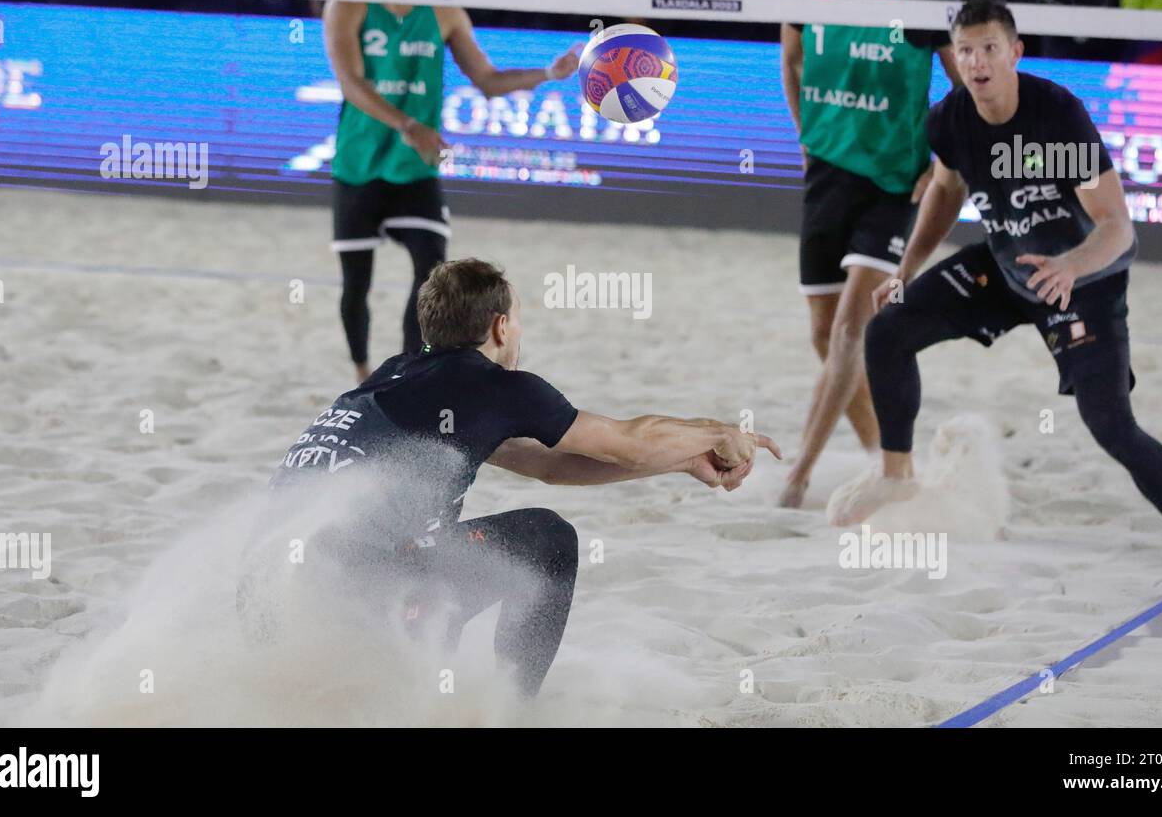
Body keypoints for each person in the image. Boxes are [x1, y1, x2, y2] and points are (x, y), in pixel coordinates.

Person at [254, 258, 781, 697]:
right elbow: (630, 438)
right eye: (519, 321)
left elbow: (546, 464)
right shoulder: (496, 387)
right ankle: (511, 703)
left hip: (271, 600)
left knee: (437, 558)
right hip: (364, 592)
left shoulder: (401, 376)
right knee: (548, 541)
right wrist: (721, 433)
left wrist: (685, 461)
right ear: (501, 326)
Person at [838, 0, 1162, 571]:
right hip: (1005, 270)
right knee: (889, 326)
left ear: (1015, 52)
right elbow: (946, 192)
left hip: (1084, 281)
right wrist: (904, 272)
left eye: (989, 48)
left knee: (1111, 424)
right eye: (965, 51)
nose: (977, 62)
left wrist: (1070, 265)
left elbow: (1119, 228)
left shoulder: (1056, 116)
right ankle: (896, 474)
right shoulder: (949, 119)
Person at [325, 0, 580, 383]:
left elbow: (486, 79)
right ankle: (362, 374)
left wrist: (549, 73)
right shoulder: (348, 3)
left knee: (431, 276)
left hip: (416, 167)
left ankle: (406, 374)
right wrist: (408, 125)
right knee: (355, 283)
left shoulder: (442, 8)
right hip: (359, 160)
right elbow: (352, 85)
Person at [777, 0, 961, 508]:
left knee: (855, 330)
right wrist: (804, 129)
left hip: (892, 185)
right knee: (824, 335)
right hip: (826, 177)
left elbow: (965, 88)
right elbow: (792, 58)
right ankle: (886, 460)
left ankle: (797, 475)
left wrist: (943, 159)